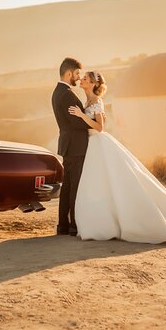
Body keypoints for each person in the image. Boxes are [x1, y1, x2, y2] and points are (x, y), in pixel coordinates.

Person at [68, 71, 166, 243]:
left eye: (85, 79)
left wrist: (81, 116)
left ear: (92, 84)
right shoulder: (87, 101)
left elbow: (100, 128)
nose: (81, 80)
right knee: (99, 184)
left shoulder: (97, 102)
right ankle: (103, 222)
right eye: (82, 78)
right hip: (92, 146)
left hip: (99, 143)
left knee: (109, 182)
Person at [51, 58, 91, 235]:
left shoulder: (57, 92)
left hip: (68, 145)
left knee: (67, 186)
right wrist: (94, 122)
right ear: (68, 73)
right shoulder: (67, 94)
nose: (78, 77)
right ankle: (74, 225)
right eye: (76, 74)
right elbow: (77, 123)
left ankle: (63, 225)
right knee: (75, 186)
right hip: (76, 146)